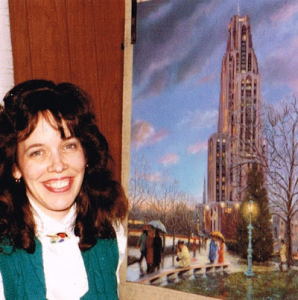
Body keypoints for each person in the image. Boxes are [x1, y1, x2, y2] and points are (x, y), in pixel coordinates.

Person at [0, 80, 128, 299]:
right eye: (37, 152)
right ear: (16, 168)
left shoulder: (112, 235)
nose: (58, 165)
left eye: (68, 146)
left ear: (86, 155)